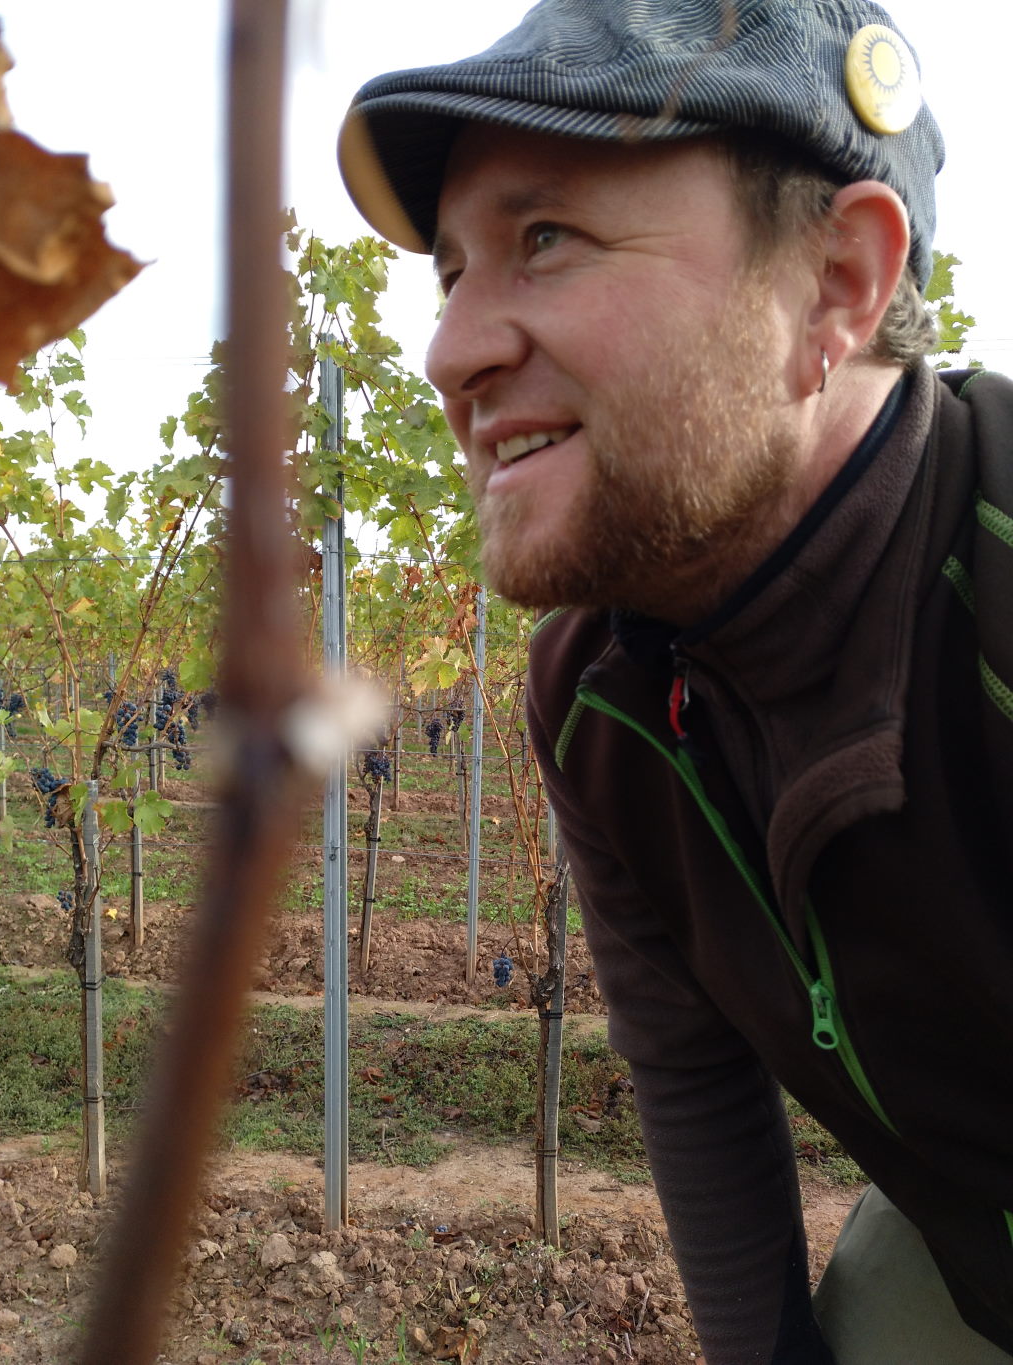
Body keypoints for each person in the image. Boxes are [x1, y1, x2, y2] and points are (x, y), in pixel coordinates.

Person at [337, 2, 1013, 1360]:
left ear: (837, 282)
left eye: (547, 239)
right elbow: (697, 1077)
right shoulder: (593, 696)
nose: (451, 352)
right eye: (452, 269)